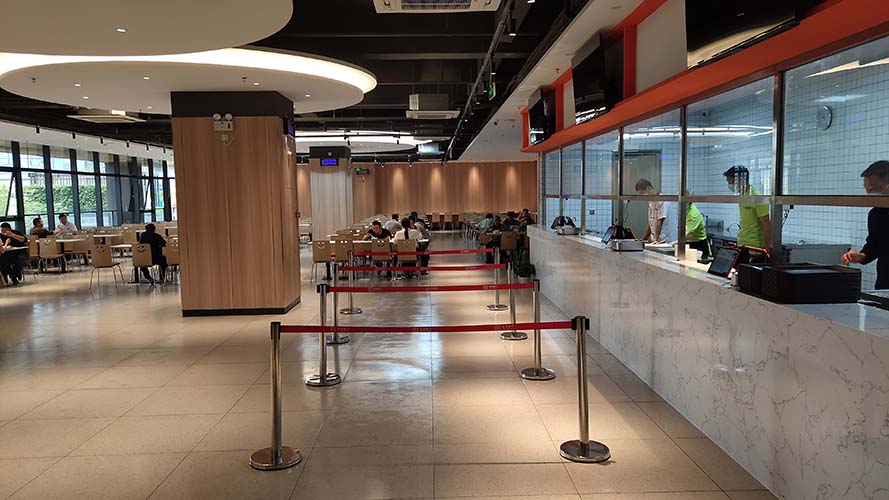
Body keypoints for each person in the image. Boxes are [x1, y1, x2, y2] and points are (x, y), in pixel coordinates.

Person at [842, 161, 889, 289]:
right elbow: (875, 244)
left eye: (873, 186)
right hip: (885, 281)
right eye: (867, 188)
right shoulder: (876, 213)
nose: (869, 191)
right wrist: (862, 255)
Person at [724, 165, 772, 252]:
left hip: (755, 246)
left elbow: (766, 224)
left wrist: (767, 249)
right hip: (742, 243)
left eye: (731, 182)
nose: (730, 185)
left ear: (740, 180)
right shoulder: (742, 196)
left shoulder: (756, 196)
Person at [635, 179, 669, 243]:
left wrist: (656, 239)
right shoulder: (650, 201)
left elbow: (660, 221)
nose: (642, 196)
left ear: (648, 188)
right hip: (656, 239)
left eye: (642, 193)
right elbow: (651, 222)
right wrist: (643, 240)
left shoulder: (662, 200)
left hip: (664, 239)